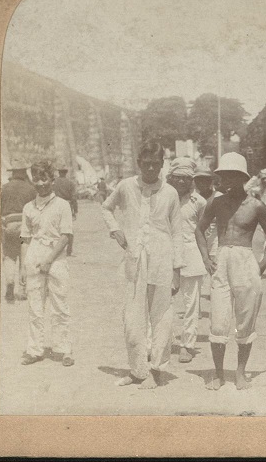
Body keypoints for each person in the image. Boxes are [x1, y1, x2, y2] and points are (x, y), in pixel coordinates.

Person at [101, 141, 184, 389]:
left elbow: (178, 233)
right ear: (139, 163)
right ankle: (138, 370)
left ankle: (158, 370)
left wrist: (177, 271)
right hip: (134, 260)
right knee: (132, 319)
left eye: (155, 164)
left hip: (163, 260)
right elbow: (106, 208)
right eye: (146, 164)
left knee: (161, 317)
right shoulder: (126, 186)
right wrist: (115, 229)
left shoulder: (170, 193)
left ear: (161, 165)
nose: (150, 169)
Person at [195, 152, 266, 390]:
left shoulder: (256, 206)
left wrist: (261, 265)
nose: (227, 180)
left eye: (233, 175)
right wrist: (205, 258)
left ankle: (240, 373)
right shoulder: (215, 202)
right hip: (221, 259)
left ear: (242, 177)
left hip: (245, 260)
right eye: (223, 175)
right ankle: (219, 374)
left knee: (245, 319)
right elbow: (199, 230)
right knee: (218, 323)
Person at [19, 160, 76, 367]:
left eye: (44, 178)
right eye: (37, 179)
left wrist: (48, 260)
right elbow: (25, 240)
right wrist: (24, 268)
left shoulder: (62, 205)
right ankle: (35, 349)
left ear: (52, 180)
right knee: (35, 306)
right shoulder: (28, 208)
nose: (41, 183)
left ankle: (64, 348)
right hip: (34, 255)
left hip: (55, 257)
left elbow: (65, 236)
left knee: (59, 305)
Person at [168, 158, 208, 363]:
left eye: (186, 178)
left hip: (191, 257)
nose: (181, 182)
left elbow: (205, 232)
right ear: (171, 178)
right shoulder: (163, 197)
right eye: (178, 177)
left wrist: (209, 257)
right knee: (163, 301)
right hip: (166, 256)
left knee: (191, 304)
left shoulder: (199, 202)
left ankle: (187, 345)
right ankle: (162, 342)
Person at [2, 165, 36, 302]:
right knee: (25, 257)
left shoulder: (4, 188)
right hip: (25, 225)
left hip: (8, 224)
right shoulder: (31, 189)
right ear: (24, 173)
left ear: (13, 173)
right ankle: (23, 291)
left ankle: (10, 282)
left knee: (9, 256)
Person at [53, 167, 78, 256]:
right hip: (67, 206)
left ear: (59, 172)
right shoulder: (70, 183)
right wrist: (75, 210)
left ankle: (55, 250)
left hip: (54, 205)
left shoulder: (54, 182)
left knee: (54, 228)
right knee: (68, 229)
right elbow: (74, 197)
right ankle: (69, 251)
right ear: (66, 173)